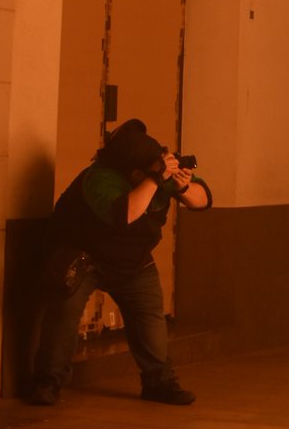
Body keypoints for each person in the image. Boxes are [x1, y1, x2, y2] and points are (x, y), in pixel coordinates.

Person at [28, 119, 212, 406]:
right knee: (63, 319)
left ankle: (159, 383)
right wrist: (155, 179)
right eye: (150, 171)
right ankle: (47, 382)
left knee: (151, 325)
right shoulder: (99, 178)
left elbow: (203, 200)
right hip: (84, 257)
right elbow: (124, 214)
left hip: (133, 260)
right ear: (132, 172)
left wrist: (184, 187)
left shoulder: (159, 171)